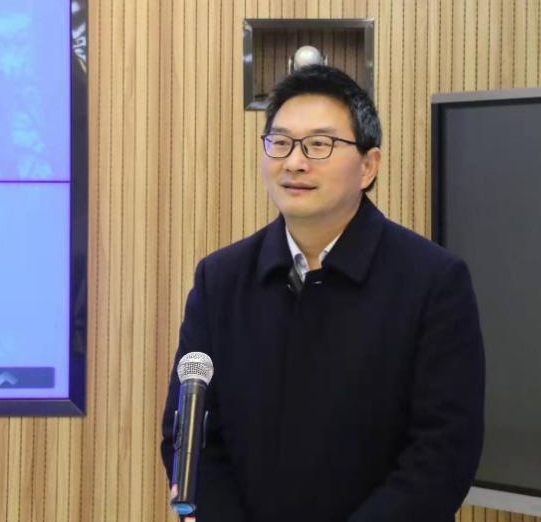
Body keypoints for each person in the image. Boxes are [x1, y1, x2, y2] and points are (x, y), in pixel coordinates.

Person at [161, 65, 485, 522]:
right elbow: (190, 435)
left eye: (319, 144)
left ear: (368, 166)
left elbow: (443, 454)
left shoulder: (433, 281)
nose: (294, 162)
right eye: (280, 142)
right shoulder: (221, 279)